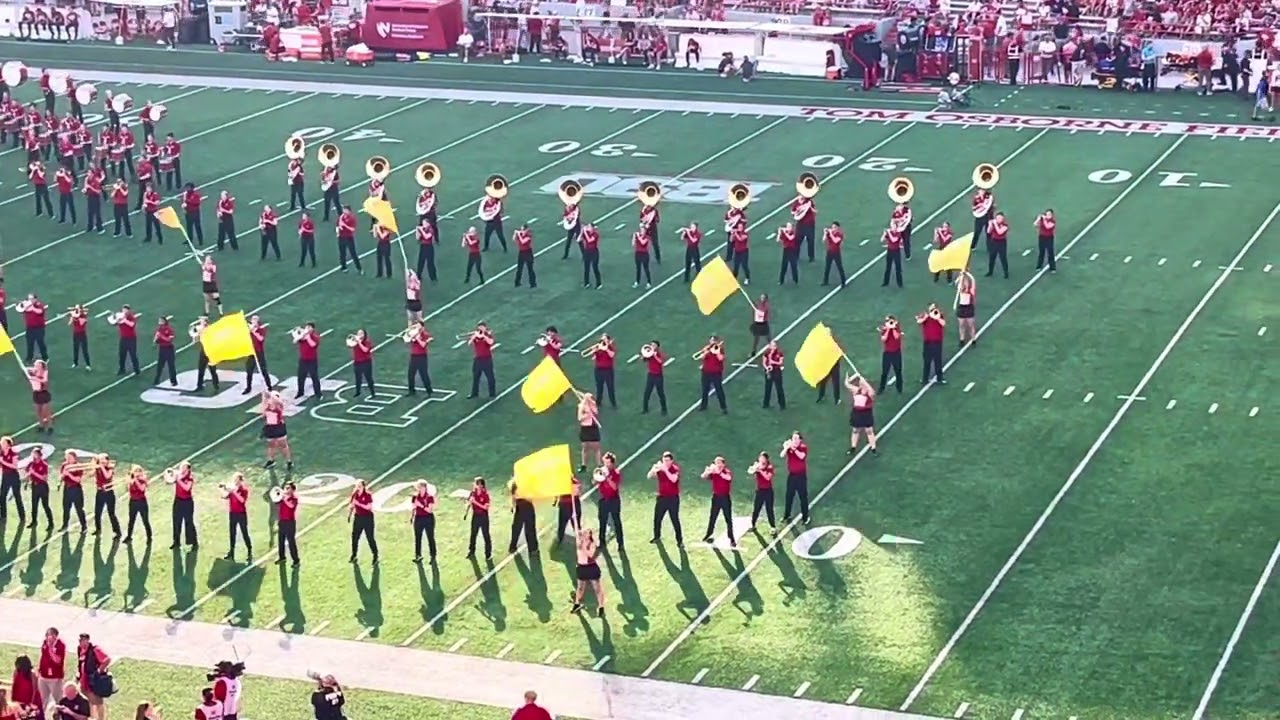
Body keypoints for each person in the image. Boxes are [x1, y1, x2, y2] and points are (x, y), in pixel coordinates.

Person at [570, 528, 605, 617]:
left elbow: (591, 555)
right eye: (583, 533)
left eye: (586, 533)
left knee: (597, 588)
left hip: (591, 568)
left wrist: (584, 548)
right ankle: (577, 604)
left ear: (589, 535)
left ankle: (601, 607)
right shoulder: (579, 543)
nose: (584, 535)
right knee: (580, 588)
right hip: (581, 568)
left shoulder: (592, 544)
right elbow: (577, 534)